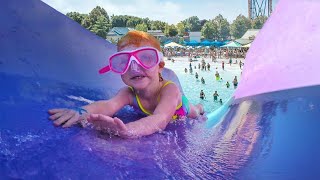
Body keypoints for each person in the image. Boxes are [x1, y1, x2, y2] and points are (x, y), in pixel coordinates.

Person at [48, 30, 204, 138]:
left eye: (146, 58)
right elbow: (107, 105)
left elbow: (160, 119)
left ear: (160, 66)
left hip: (181, 109)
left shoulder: (170, 89)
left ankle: (199, 106)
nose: (134, 68)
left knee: (195, 112)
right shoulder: (128, 93)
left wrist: (129, 130)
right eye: (123, 62)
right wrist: (81, 112)